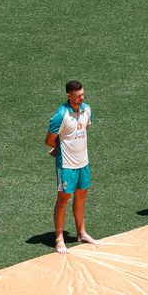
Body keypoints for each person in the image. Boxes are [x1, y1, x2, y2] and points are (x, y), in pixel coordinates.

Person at [45, 80, 98, 253]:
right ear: (69, 95)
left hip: (83, 161)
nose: (82, 98)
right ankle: (59, 238)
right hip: (67, 164)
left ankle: (81, 232)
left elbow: (83, 130)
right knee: (64, 198)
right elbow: (49, 140)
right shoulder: (61, 115)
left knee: (81, 195)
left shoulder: (87, 109)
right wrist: (58, 149)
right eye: (78, 96)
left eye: (83, 94)